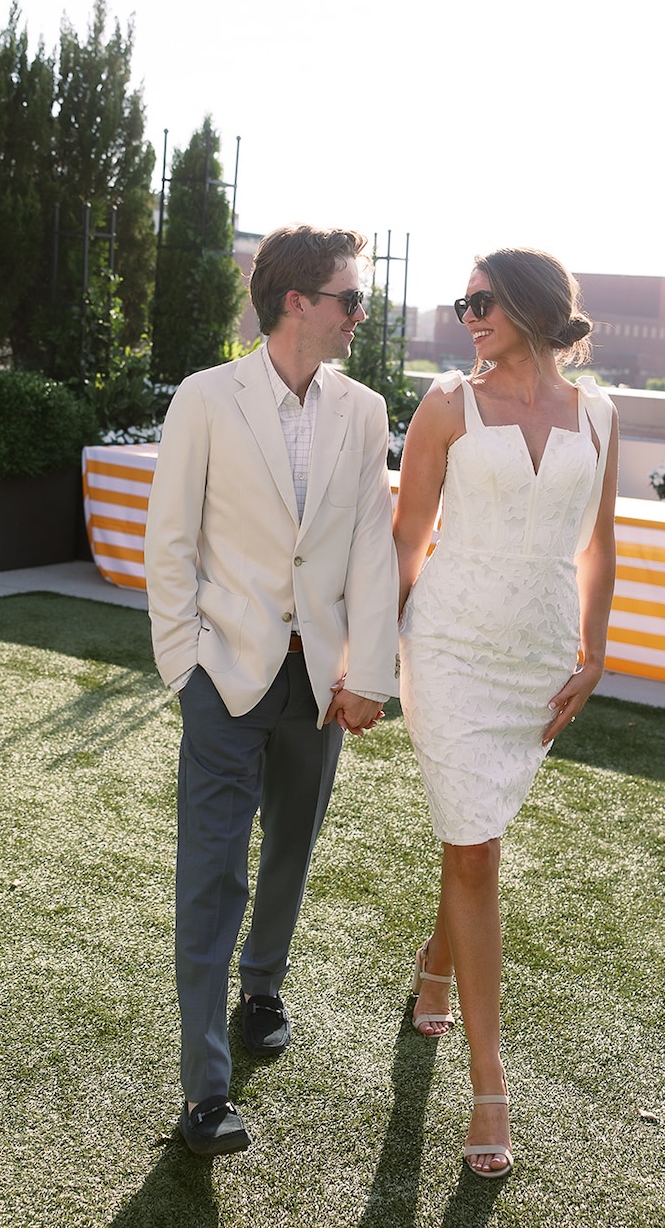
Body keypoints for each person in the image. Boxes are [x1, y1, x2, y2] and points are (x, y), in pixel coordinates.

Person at [145, 224, 400, 1157]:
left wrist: (370, 673)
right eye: (350, 299)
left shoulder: (365, 411)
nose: (359, 316)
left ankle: (265, 986)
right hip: (225, 672)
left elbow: (372, 544)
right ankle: (205, 1093)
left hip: (318, 679)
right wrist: (186, 668)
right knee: (213, 875)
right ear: (297, 301)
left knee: (292, 844)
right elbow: (169, 544)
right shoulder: (205, 400)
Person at [393, 248, 618, 1180]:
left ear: (529, 307)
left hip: (536, 656)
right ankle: (490, 1088)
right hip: (446, 647)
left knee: (475, 835)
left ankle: (437, 961)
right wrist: (378, 654)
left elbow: (602, 541)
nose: (467, 316)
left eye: (482, 301)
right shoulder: (447, 404)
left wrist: (596, 653)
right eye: (463, 302)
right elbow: (407, 536)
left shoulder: (601, 413)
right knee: (476, 846)